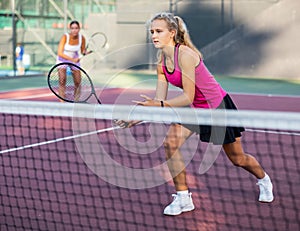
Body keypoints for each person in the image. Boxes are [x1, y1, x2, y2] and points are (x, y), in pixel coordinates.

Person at [116, 12, 274, 216]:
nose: (154, 35)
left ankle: (264, 179)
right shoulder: (161, 65)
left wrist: (159, 106)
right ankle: (183, 198)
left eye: (159, 31)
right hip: (196, 110)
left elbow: (187, 97)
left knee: (237, 158)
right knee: (170, 143)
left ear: (172, 33)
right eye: (152, 32)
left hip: (217, 107)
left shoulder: (186, 56)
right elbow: (159, 101)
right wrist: (136, 117)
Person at [56, 20, 90, 101]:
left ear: (79, 29)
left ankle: (76, 101)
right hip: (62, 59)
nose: (74, 30)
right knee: (62, 81)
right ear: (70, 29)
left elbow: (82, 51)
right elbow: (60, 53)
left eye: (76, 28)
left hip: (75, 58)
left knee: (78, 82)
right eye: (72, 28)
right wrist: (72, 59)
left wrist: (85, 52)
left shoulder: (82, 38)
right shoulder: (65, 37)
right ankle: (62, 102)